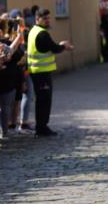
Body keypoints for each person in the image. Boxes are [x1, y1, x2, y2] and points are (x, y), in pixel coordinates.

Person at [26, 8, 73, 137]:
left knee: (41, 100)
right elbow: (54, 48)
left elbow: (48, 47)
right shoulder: (42, 34)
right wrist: (64, 46)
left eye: (48, 18)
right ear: (37, 19)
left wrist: (60, 45)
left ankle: (40, 126)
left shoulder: (33, 31)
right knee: (44, 101)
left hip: (36, 72)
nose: (47, 21)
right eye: (45, 18)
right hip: (41, 72)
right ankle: (42, 127)